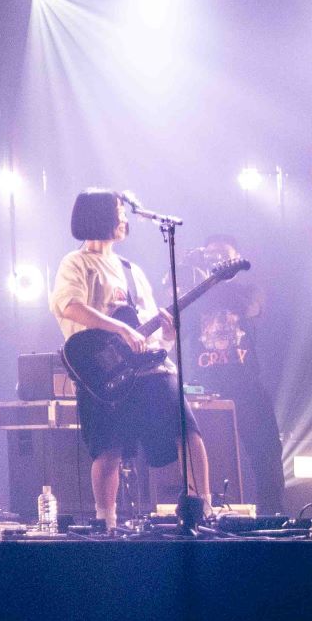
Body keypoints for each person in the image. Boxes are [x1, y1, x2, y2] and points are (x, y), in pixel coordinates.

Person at [50, 189, 214, 527]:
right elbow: (69, 305)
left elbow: (147, 328)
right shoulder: (76, 263)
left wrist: (166, 334)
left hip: (150, 370)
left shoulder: (132, 270)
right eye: (119, 211)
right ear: (100, 216)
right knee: (108, 449)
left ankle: (204, 509)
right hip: (101, 371)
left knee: (188, 430)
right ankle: (105, 522)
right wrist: (119, 329)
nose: (125, 218)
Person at [192, 233, 284, 513]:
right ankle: (205, 512)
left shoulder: (249, 290)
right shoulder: (195, 293)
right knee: (203, 456)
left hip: (246, 387)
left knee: (266, 452)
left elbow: (251, 308)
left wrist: (215, 277)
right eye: (211, 256)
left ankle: (273, 514)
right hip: (204, 391)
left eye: (223, 255)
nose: (217, 261)